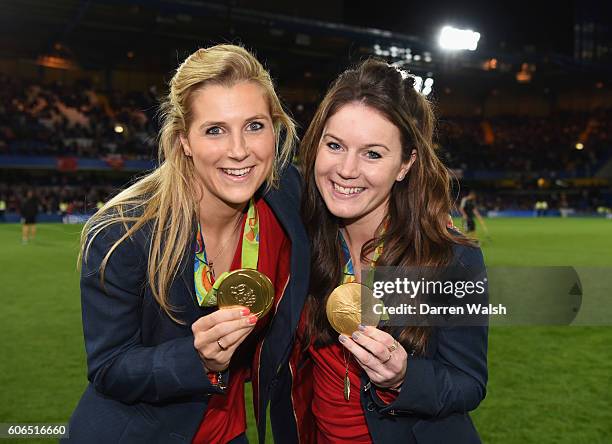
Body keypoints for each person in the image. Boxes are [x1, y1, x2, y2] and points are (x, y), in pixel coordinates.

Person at [64, 44, 310, 444]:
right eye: (215, 129)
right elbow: (109, 367)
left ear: (275, 127)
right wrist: (195, 359)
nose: (239, 150)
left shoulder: (285, 198)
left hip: (229, 432)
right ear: (184, 141)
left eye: (255, 125)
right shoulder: (122, 232)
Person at [270, 59, 488, 443]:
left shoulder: (452, 260)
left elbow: (468, 382)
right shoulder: (300, 231)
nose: (347, 169)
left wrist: (405, 376)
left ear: (405, 164)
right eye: (334, 145)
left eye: (373, 154)